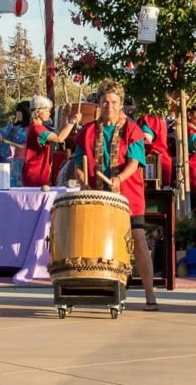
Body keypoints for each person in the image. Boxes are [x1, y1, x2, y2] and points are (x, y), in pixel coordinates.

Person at [70, 81, 159, 311]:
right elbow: (78, 162)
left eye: (114, 102)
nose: (110, 106)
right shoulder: (88, 131)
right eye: (105, 102)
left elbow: (134, 162)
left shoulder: (132, 130)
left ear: (121, 105)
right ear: (99, 104)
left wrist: (120, 178)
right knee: (96, 241)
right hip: (98, 196)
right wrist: (82, 179)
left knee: (137, 239)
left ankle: (150, 295)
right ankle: (102, 289)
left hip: (128, 195)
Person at [23, 96, 79, 188]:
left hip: (37, 171)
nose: (49, 113)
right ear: (37, 112)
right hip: (35, 173)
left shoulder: (39, 128)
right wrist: (72, 122)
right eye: (47, 110)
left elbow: (59, 132)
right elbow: (59, 138)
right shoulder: (37, 130)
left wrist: (65, 114)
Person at [135, 107, 174, 188]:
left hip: (154, 166)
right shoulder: (155, 119)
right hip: (158, 164)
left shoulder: (150, 119)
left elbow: (145, 144)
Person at [0, 101, 30, 183]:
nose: (18, 114)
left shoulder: (34, 127)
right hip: (15, 164)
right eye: (17, 111)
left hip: (30, 163)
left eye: (21, 111)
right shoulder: (12, 127)